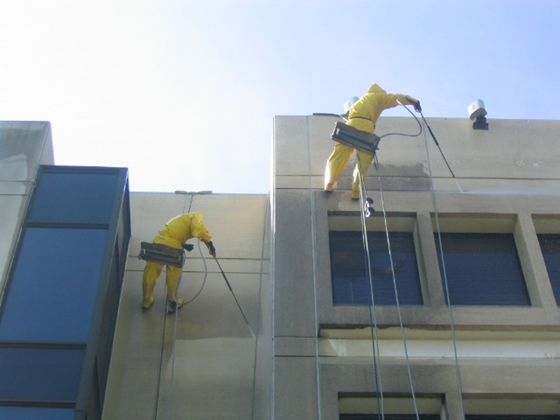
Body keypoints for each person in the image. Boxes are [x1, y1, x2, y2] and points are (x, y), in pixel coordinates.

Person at [324, 83, 422, 199]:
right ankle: (356, 192)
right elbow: (399, 98)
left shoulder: (362, 99)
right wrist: (415, 102)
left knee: (338, 156)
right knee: (363, 163)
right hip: (366, 127)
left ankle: (328, 184)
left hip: (351, 124)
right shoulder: (380, 97)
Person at [142, 212, 216, 313]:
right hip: (173, 249)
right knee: (173, 277)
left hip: (158, 243)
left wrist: (184, 245)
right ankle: (172, 302)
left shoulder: (179, 220)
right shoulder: (195, 216)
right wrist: (209, 243)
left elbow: (173, 234)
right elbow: (198, 228)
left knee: (150, 273)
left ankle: (146, 300)